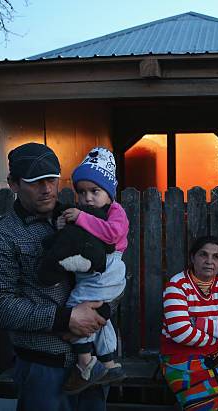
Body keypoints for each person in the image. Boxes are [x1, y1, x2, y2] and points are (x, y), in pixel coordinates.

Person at [0, 142, 110, 411]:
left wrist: (101, 313)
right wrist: (66, 319)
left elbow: (110, 273)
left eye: (52, 179)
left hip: (94, 364)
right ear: (13, 184)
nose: (47, 188)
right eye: (35, 182)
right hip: (43, 368)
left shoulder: (82, 219)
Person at [56, 147, 129, 393]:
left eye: (95, 191)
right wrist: (63, 225)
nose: (87, 198)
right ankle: (109, 363)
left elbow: (112, 234)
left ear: (109, 193)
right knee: (98, 315)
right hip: (93, 271)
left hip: (108, 268)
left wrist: (80, 219)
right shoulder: (86, 212)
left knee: (76, 306)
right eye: (82, 192)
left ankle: (86, 363)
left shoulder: (115, 212)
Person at [160, 236, 218, 410]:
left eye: (216, 257)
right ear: (192, 258)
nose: (209, 261)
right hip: (181, 357)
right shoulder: (176, 285)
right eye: (203, 255)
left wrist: (196, 321)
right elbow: (181, 333)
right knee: (202, 400)